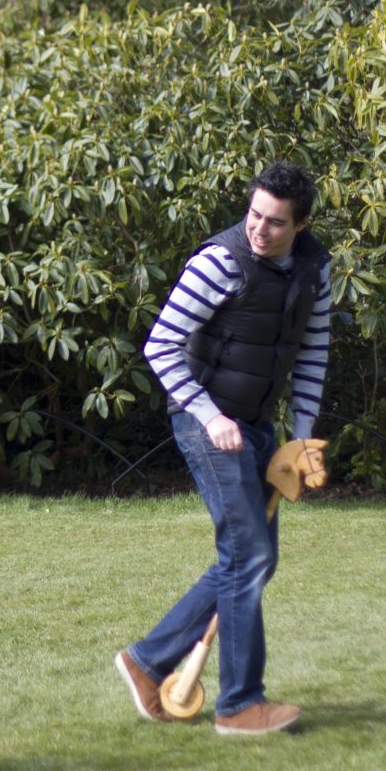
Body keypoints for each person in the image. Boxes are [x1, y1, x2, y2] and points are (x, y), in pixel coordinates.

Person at [115, 161, 331, 736]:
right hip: (204, 420)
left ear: (301, 225)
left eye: (276, 223)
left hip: (259, 427)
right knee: (249, 555)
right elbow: (159, 346)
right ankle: (239, 704)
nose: (259, 229)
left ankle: (147, 661)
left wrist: (302, 437)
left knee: (254, 558)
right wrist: (210, 416)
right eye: (254, 215)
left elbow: (311, 355)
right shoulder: (219, 262)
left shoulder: (314, 271)